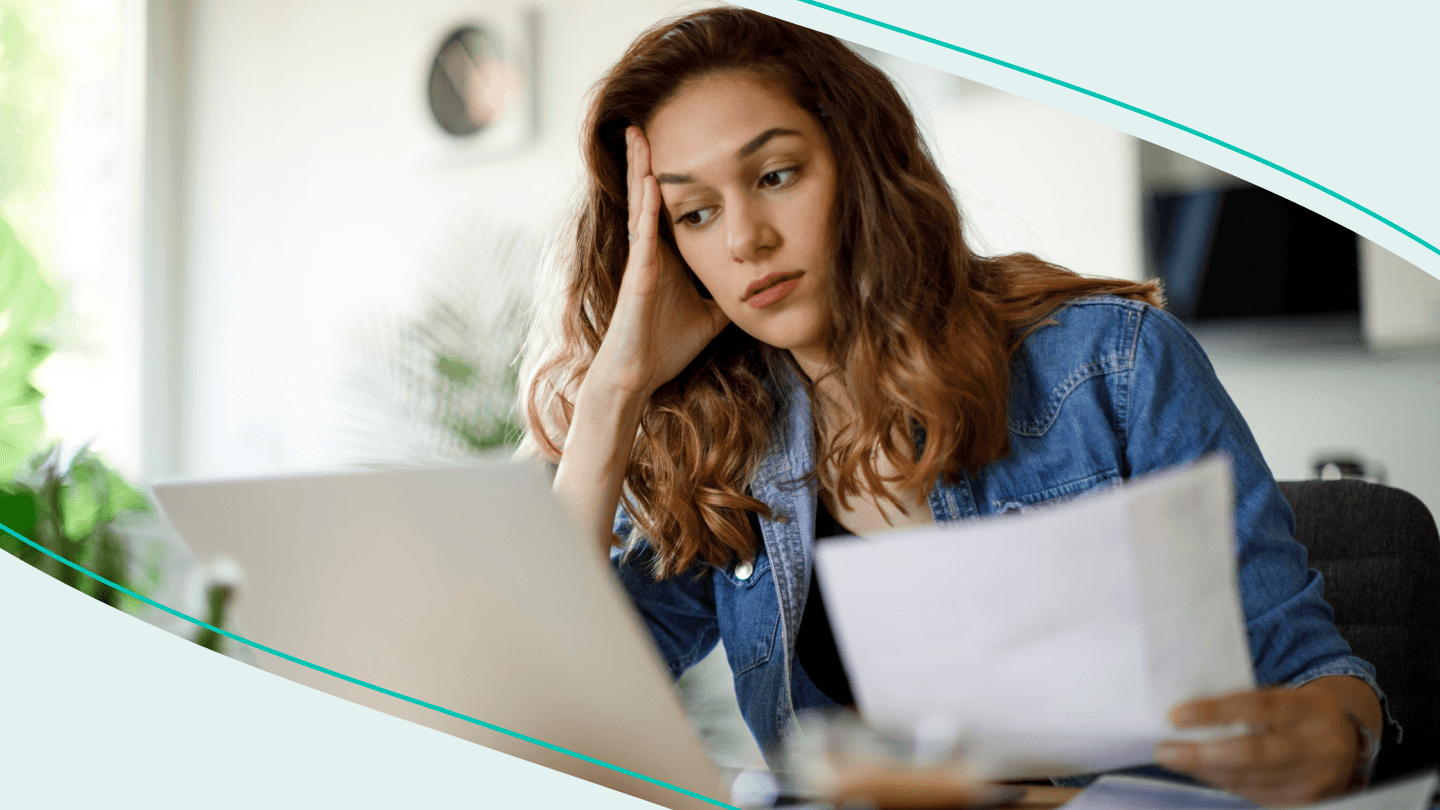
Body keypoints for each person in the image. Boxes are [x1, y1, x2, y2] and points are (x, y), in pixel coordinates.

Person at [520, 7, 1389, 806]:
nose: (746, 239)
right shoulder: (728, 449)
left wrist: (1339, 737)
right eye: (696, 214)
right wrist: (615, 394)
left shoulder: (1112, 365)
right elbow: (545, 701)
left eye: (777, 175)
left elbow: (1311, 673)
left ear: (859, 163)